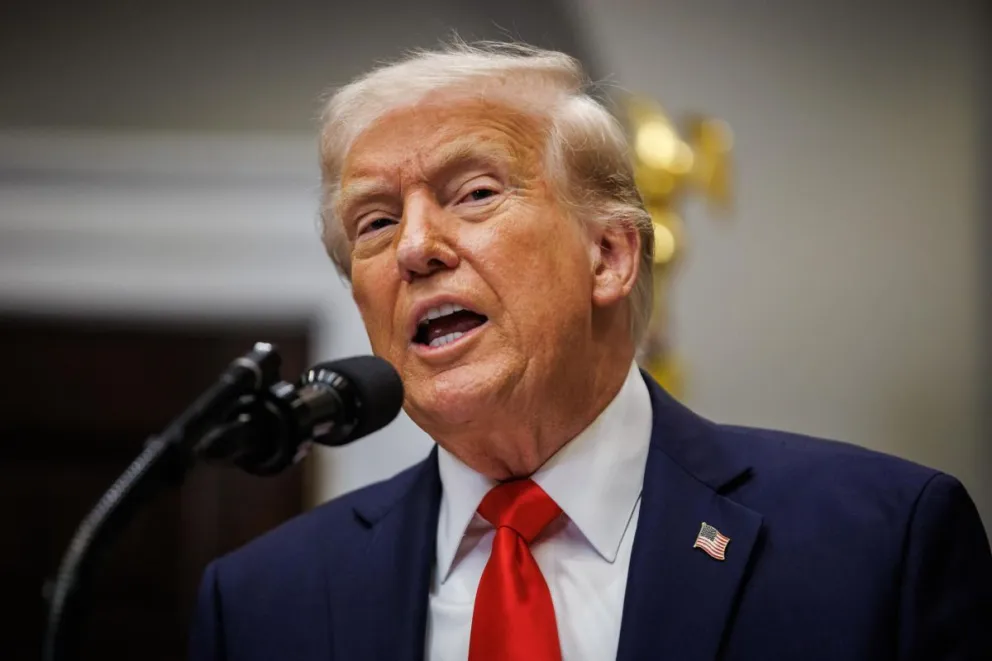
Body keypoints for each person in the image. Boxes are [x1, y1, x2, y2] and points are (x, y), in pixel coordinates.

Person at [189, 42, 992, 661]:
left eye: (474, 192)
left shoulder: (878, 546)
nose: (416, 247)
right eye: (374, 222)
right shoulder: (263, 602)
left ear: (609, 255)